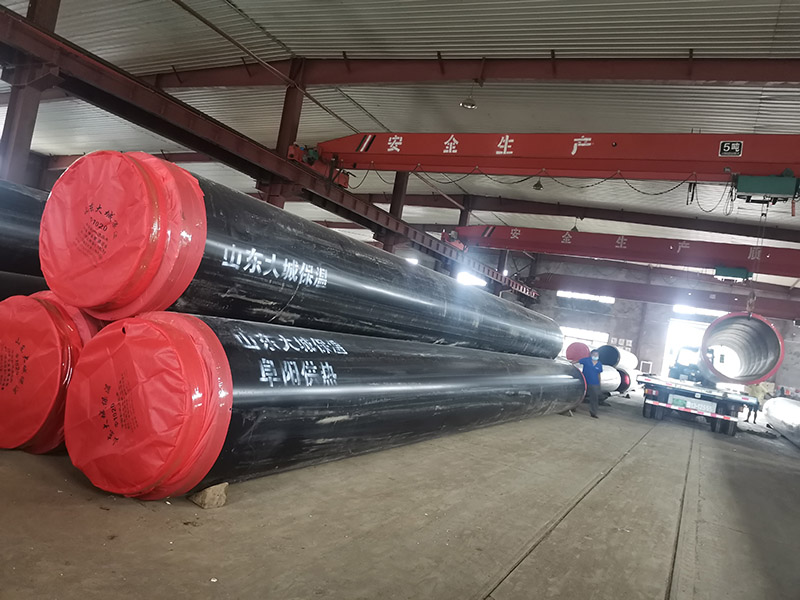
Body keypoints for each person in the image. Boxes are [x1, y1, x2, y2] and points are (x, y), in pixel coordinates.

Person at [577, 351, 603, 419]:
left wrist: (599, 383)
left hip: (594, 383)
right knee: (579, 396)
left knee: (594, 399)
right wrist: (569, 363)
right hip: (584, 382)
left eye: (597, 355)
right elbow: (577, 361)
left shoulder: (599, 364)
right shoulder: (586, 360)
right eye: (594, 354)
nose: (595, 356)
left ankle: (593, 413)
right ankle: (572, 407)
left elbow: (599, 374)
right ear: (591, 355)